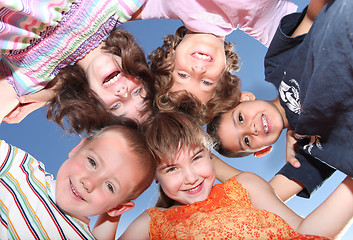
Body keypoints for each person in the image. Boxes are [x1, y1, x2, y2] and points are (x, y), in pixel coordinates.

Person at [117, 111, 353, 239]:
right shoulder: (154, 221)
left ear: (209, 155)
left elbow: (302, 232)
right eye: (171, 169)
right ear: (154, 176)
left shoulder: (243, 186)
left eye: (197, 158)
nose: (191, 177)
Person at [207, 0, 353, 201]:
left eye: (240, 119)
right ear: (263, 150)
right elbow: (265, 200)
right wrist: (204, 158)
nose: (251, 128)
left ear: (244, 98)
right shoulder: (309, 151)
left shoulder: (276, 66)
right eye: (246, 141)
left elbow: (313, 15)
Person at [0, 0, 156, 133]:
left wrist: (56, 92)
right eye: (137, 91)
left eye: (116, 106)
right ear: (141, 75)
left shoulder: (31, 75)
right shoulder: (120, 5)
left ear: (93, 106)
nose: (123, 93)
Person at [132, 0, 297, 124]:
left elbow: (111, 13)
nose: (197, 70)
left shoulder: (165, 4)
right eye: (206, 82)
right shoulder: (264, 23)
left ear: (169, 58)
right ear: (225, 76)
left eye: (183, 75)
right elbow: (312, 48)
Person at [0, 121, 156, 239]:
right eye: (92, 162)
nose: (89, 183)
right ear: (78, 149)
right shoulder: (20, 166)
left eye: (110, 186)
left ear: (117, 208)